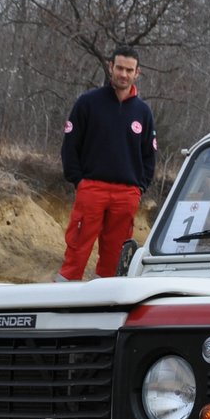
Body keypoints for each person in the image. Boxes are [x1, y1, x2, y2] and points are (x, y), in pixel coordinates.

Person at [57, 45, 157, 280]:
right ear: (111, 67)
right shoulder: (88, 102)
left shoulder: (143, 112)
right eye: (119, 68)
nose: (124, 74)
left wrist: (140, 187)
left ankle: (103, 304)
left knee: (114, 258)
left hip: (126, 195)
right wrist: (78, 181)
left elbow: (149, 155)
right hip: (92, 188)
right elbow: (70, 145)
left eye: (129, 70)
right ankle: (62, 299)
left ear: (137, 73)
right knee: (77, 249)